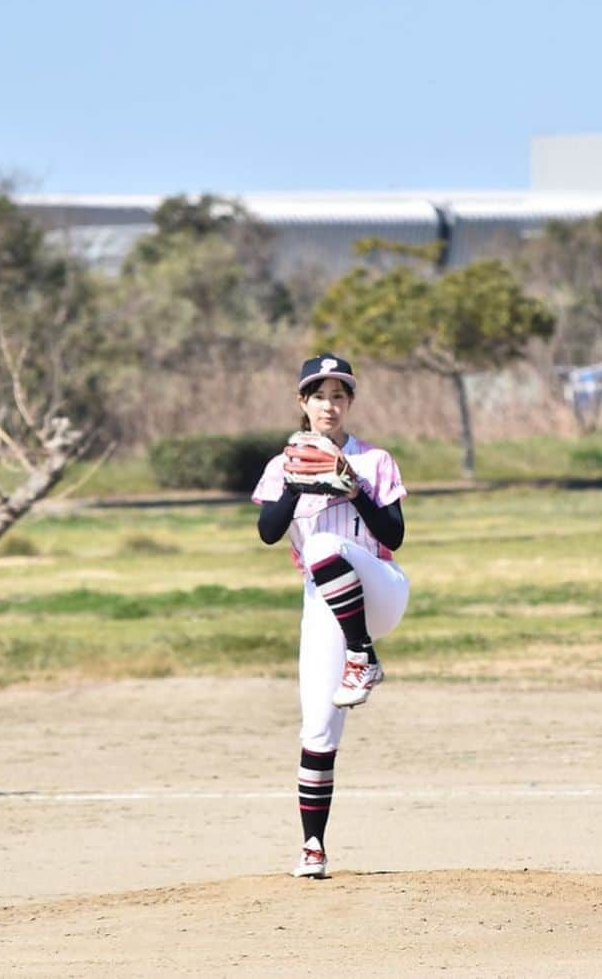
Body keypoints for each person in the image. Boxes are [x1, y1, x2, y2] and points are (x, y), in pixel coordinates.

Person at [252, 354, 409, 878]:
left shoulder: (374, 459)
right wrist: (298, 484)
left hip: (380, 588)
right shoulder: (283, 465)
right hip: (324, 606)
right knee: (317, 729)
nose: (329, 405)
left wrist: (354, 487)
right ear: (303, 403)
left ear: (350, 403)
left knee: (323, 541)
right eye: (319, 395)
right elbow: (269, 532)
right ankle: (312, 847)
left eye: (339, 396)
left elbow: (393, 537)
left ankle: (363, 655)